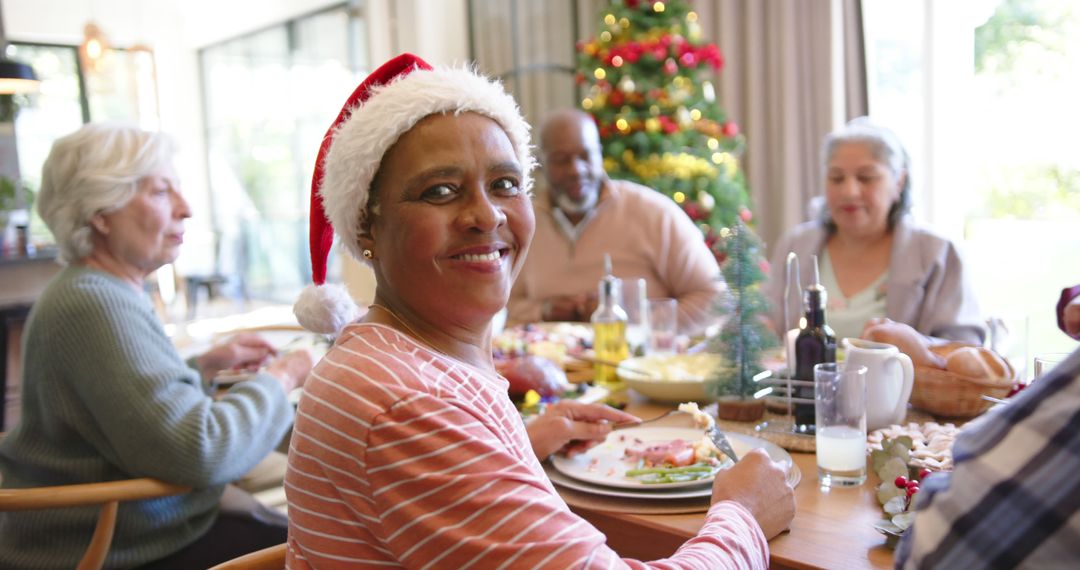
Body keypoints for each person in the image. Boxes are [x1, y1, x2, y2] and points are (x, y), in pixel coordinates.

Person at [286, 53, 795, 568]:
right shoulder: (406, 407)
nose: (486, 215)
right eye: (440, 191)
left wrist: (515, 444)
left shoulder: (403, 362)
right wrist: (743, 513)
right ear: (366, 227)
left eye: (506, 184)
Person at [0, 123, 313, 569]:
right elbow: (202, 452)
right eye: (162, 193)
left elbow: (120, 401)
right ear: (100, 212)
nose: (185, 209)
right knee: (328, 550)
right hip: (116, 547)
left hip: (130, 528)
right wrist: (285, 375)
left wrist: (199, 366)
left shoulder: (96, 291)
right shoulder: (94, 302)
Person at [763, 118, 985, 344]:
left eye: (866, 178)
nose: (849, 191)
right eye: (836, 178)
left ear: (898, 182)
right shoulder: (796, 244)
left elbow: (966, 347)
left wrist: (916, 344)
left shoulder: (937, 252)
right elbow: (768, 325)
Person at [505, 108, 723, 336]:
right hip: (550, 363)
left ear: (600, 154)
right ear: (540, 165)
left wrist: (633, 322)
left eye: (586, 156)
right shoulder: (523, 222)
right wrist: (545, 311)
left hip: (641, 365)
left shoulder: (654, 212)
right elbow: (504, 304)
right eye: (561, 160)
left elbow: (715, 299)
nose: (576, 170)